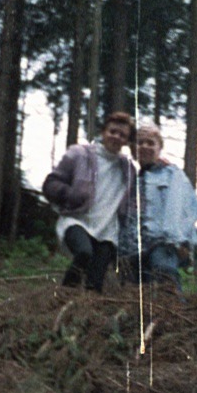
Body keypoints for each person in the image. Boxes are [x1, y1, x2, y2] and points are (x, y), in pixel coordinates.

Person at [42, 110, 137, 291]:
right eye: (112, 131)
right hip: (77, 220)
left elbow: (133, 202)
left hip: (107, 233)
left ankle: (84, 314)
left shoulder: (128, 168)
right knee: (84, 253)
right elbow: (50, 183)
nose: (116, 137)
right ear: (103, 132)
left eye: (122, 135)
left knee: (95, 284)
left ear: (126, 141)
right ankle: (64, 297)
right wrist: (70, 194)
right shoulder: (80, 154)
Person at [119, 123, 197, 295]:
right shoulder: (130, 178)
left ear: (159, 147)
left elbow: (185, 209)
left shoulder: (172, 174)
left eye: (151, 143)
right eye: (140, 143)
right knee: (135, 296)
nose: (145, 147)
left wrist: (181, 242)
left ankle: (178, 319)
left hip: (162, 244)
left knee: (165, 281)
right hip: (132, 249)